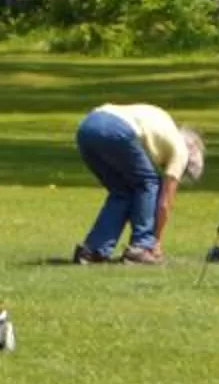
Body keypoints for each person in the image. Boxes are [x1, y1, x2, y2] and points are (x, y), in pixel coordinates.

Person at [73, 103, 206, 265]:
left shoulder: (164, 131)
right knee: (148, 183)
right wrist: (156, 241)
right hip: (115, 128)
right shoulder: (181, 152)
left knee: (122, 192)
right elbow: (165, 204)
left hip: (87, 127)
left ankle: (92, 250)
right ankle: (141, 248)